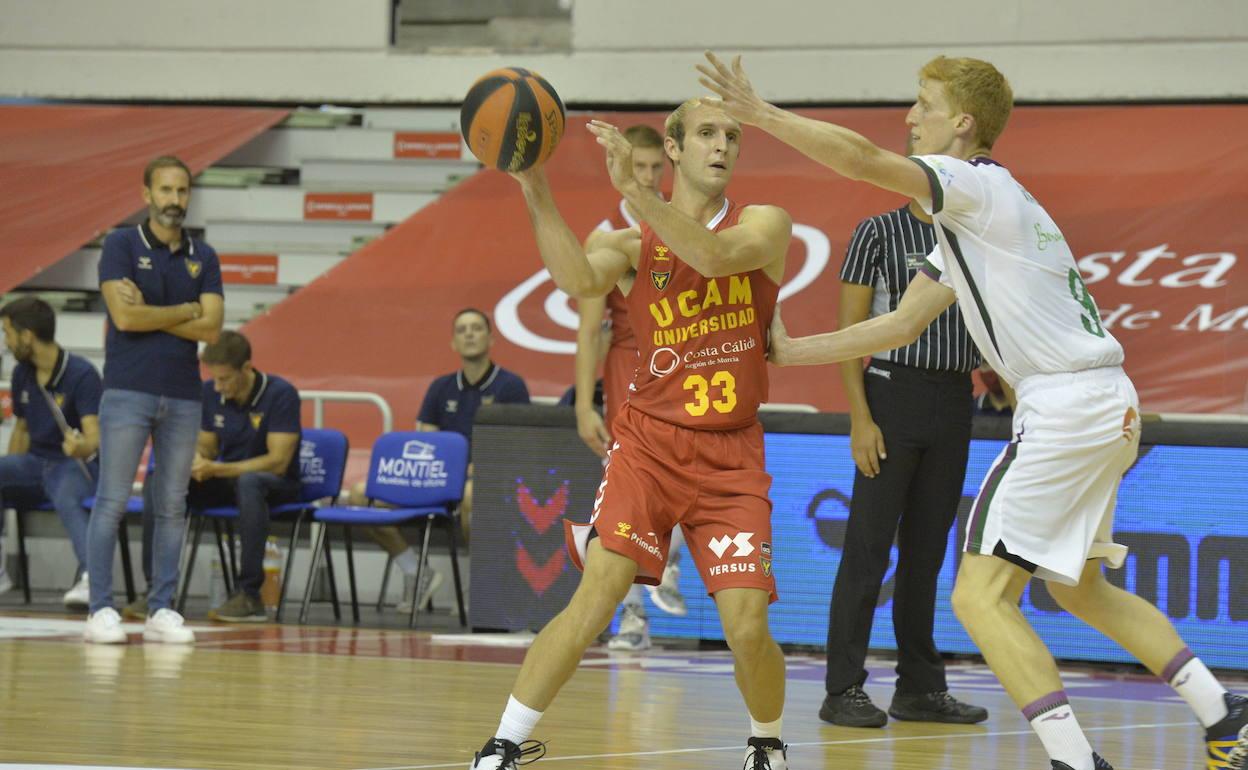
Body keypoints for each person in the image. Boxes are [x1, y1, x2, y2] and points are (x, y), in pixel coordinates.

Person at [700, 52, 1248, 770]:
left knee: (979, 597)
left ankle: (1076, 763)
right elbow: (899, 326)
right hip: (1108, 405)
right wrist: (788, 349)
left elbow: (863, 160)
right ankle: (1224, 715)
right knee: (1080, 587)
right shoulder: (977, 219)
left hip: (1065, 405)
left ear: (961, 124)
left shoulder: (971, 185)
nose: (908, 117)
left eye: (921, 104)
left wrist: (762, 115)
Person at [467, 97, 794, 770]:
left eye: (731, 135)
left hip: (730, 455)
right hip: (648, 445)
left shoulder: (764, 223)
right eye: (706, 133)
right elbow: (576, 277)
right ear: (674, 148)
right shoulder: (627, 245)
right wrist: (536, 188)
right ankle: (502, 744)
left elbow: (710, 254)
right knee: (595, 600)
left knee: (748, 627)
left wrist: (637, 194)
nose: (722, 144)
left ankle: (766, 742)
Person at [817, 186, 987, 726]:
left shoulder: (973, 233)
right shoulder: (877, 232)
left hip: (958, 396)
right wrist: (860, 417)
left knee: (927, 552)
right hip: (893, 391)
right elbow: (849, 331)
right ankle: (842, 688)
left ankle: (918, 686)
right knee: (868, 548)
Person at [85, 154, 224, 645]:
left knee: (171, 505)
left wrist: (154, 310)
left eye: (182, 191)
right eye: (165, 191)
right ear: (146, 194)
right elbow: (124, 320)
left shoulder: (203, 256)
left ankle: (162, 608)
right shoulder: (121, 244)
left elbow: (212, 327)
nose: (174, 201)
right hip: (127, 390)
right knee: (112, 501)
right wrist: (186, 309)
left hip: (185, 394)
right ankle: (100, 608)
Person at [574, 124, 687, 652]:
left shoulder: (682, 223)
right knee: (627, 496)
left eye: (654, 169)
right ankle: (634, 619)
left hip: (684, 363)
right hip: (627, 365)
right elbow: (590, 328)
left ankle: (673, 558)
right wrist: (583, 401)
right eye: (638, 168)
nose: (647, 177)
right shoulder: (605, 237)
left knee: (689, 471)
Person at [347, 308, 529, 611]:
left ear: (491, 339)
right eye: (462, 330)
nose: (469, 333)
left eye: (476, 328)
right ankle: (415, 571)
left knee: (471, 495)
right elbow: (427, 443)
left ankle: (481, 582)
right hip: (438, 479)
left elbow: (518, 444)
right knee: (359, 495)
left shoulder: (510, 386)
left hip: (486, 480)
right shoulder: (440, 388)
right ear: (453, 344)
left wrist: (477, 468)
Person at [121, 332, 301, 622]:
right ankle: (158, 590)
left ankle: (249, 595)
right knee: (160, 479)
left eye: (225, 379)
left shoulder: (280, 394)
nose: (219, 386)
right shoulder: (210, 393)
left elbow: (277, 462)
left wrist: (217, 468)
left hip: (276, 484)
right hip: (230, 478)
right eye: (214, 379)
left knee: (250, 482)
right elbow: (208, 444)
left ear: (247, 368)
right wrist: (195, 458)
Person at [0, 297, 101, 608]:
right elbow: (21, 430)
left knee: (68, 497)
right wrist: (9, 469)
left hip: (73, 463)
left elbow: (94, 439)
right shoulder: (21, 374)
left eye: (7, 332)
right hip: (33, 463)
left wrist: (78, 446)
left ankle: (91, 579)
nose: (5, 340)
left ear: (27, 335)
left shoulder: (81, 374)